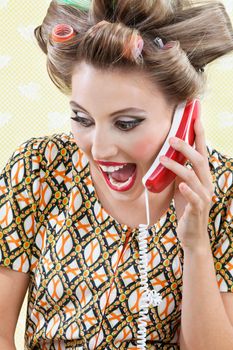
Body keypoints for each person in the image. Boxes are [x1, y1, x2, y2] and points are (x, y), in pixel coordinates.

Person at [0, 0, 233, 349]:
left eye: (126, 124)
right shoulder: (40, 167)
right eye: (82, 119)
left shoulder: (224, 189)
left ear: (184, 115)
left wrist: (196, 243)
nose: (100, 149)